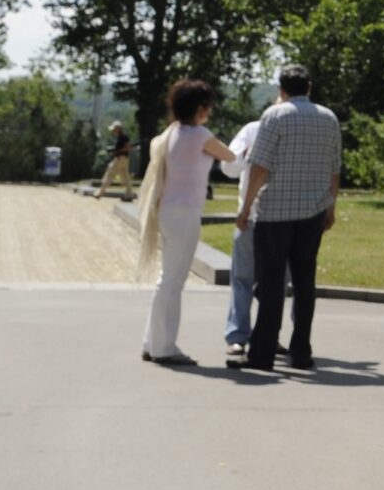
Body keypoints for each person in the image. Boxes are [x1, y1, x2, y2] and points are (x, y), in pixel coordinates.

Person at [235, 64, 341, 372]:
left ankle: (263, 353)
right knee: (305, 282)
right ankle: (301, 351)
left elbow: (259, 167)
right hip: (313, 212)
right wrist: (331, 207)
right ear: (308, 87)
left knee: (271, 283)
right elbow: (334, 169)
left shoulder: (274, 116)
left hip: (275, 212)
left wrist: (246, 208)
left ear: (282, 89)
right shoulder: (329, 118)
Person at [137, 77, 236, 366]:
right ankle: (164, 347)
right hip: (185, 213)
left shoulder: (171, 133)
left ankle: (152, 341)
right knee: (173, 282)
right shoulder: (200, 135)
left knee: (165, 280)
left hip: (168, 209)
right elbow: (230, 156)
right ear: (200, 107)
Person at [217, 116, 261, 367]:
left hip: (281, 219)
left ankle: (266, 335)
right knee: (242, 279)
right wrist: (245, 153)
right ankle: (238, 336)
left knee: (275, 284)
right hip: (251, 217)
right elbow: (228, 168)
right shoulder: (252, 130)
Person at [97, 123, 133, 199]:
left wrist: (117, 152)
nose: (113, 131)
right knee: (125, 177)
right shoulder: (122, 137)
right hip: (124, 159)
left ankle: (100, 192)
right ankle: (129, 194)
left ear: (118, 129)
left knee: (110, 173)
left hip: (120, 158)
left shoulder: (122, 137)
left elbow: (128, 148)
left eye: (114, 129)